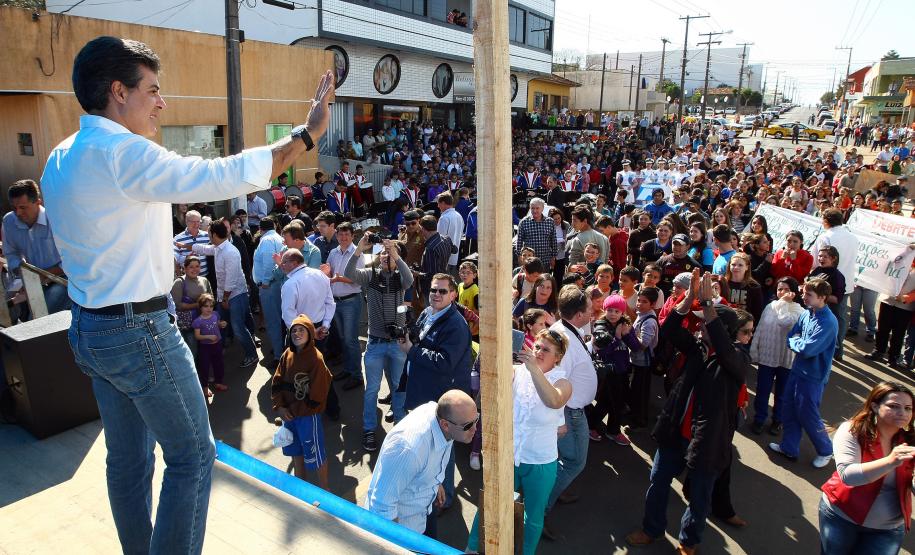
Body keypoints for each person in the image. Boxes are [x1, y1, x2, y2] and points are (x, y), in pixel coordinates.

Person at [40, 35, 333, 552]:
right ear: (118, 92)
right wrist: (305, 136)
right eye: (152, 89)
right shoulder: (122, 153)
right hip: (137, 331)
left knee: (128, 459)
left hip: (89, 328)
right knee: (194, 456)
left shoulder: (61, 156)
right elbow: (217, 174)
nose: (161, 102)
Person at [627, 271, 753, 554]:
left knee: (699, 499)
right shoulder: (698, 349)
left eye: (705, 324)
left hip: (705, 442)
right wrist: (686, 303)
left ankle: (688, 542)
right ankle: (652, 529)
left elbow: (724, 348)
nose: (698, 328)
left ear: (720, 328)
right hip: (674, 433)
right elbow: (670, 331)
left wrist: (710, 307)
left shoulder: (737, 360)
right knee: (658, 482)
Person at [467, 330, 573, 555]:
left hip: (541, 461)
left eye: (546, 349)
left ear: (558, 357)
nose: (538, 351)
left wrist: (534, 368)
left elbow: (553, 400)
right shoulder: (517, 371)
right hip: (509, 455)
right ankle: (472, 547)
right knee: (491, 502)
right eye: (537, 346)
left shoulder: (563, 382)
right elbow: (492, 380)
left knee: (533, 517)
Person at [364, 390, 478, 538]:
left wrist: (434, 483)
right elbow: (381, 508)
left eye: (476, 420)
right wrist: (398, 546)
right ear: (445, 425)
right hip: (405, 530)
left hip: (424, 512)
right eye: (468, 425)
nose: (475, 429)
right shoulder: (408, 449)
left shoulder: (446, 421)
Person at [819, 381, 915, 554]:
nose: (903, 413)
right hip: (841, 517)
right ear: (875, 406)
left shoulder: (910, 439)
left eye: (908, 408)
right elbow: (848, 475)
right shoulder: (852, 430)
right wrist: (890, 460)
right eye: (894, 406)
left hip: (888, 528)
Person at [344, 234, 413, 451]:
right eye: (383, 253)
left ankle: (401, 429)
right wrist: (359, 250)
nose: (385, 256)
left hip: (397, 343)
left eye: (389, 254)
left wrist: (396, 255)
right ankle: (369, 430)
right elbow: (349, 273)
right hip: (375, 343)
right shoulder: (371, 276)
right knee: (371, 389)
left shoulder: (400, 277)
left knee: (398, 387)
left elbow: (409, 280)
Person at [543, 286, 597, 534]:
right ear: (577, 315)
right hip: (569, 413)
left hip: (570, 411)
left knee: (563, 459)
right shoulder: (564, 338)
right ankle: (539, 511)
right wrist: (559, 420)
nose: (593, 310)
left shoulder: (565, 330)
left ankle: (557, 489)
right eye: (588, 308)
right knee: (574, 462)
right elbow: (554, 381)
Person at [769, 278, 839, 468]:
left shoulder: (829, 322)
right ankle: (789, 448)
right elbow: (792, 336)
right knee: (789, 409)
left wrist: (796, 343)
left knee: (808, 415)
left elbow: (808, 349)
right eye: (804, 293)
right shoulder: (807, 314)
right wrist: (797, 342)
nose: (804, 297)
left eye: (809, 295)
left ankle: (826, 450)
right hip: (797, 371)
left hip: (814, 377)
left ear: (822, 297)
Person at [271, 314, 334, 490]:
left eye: (302, 330)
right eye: (294, 330)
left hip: (307, 416)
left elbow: (318, 394)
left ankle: (325, 490)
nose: (297, 333)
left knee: (316, 454)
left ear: (310, 334)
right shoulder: (287, 354)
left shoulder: (316, 359)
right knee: (295, 452)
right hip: (289, 415)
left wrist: (298, 410)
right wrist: (280, 407)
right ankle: (301, 488)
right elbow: (276, 381)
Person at [190, 219, 259, 368]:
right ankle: (221, 349)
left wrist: (225, 298)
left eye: (208, 233)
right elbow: (206, 249)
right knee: (224, 323)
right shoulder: (219, 247)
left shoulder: (230, 252)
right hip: (225, 295)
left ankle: (252, 355)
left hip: (234, 295)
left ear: (214, 234)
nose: (207, 236)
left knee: (238, 327)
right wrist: (189, 246)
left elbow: (231, 280)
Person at [1, 179, 70, 315]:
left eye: (23, 207)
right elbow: (11, 253)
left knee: (41, 312)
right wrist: (22, 273)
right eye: (14, 208)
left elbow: (72, 258)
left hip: (62, 279)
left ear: (38, 202)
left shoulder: (56, 220)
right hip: (30, 277)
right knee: (5, 308)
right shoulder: (9, 221)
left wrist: (41, 276)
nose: (18, 213)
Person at [749, 276, 805, 436]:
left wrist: (783, 303)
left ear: (794, 291)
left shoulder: (799, 311)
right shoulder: (769, 306)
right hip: (767, 356)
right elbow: (759, 328)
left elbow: (784, 321)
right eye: (780, 289)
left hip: (786, 359)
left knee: (782, 393)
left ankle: (777, 420)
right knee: (762, 390)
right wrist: (754, 350)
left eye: (787, 289)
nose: (783, 292)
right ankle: (759, 419)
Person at [811, 209, 859, 360]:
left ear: (826, 221)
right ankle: (838, 349)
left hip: (826, 284)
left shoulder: (825, 237)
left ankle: (823, 348)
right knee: (840, 317)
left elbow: (815, 261)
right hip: (846, 283)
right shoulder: (853, 237)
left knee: (821, 316)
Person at [325, 222, 365, 390]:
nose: (343, 237)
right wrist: (325, 272)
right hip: (336, 301)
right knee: (343, 339)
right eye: (340, 234)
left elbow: (358, 279)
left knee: (350, 340)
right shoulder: (333, 252)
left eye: (346, 234)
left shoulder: (358, 254)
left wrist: (338, 278)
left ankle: (357, 375)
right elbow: (329, 270)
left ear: (352, 236)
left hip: (351, 301)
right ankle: (348, 369)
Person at [865, 265, 915, 368]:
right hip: (888, 299)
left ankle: (893, 357)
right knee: (882, 328)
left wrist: (906, 298)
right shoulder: (902, 256)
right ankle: (878, 351)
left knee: (898, 333)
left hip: (904, 306)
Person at [252, 217, 286, 365]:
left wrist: (265, 281)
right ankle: (281, 350)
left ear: (261, 229)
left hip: (270, 286)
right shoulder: (278, 237)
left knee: (273, 321)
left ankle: (279, 356)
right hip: (277, 284)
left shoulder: (266, 241)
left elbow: (269, 262)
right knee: (280, 320)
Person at [171, 255, 212, 356]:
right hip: (189, 325)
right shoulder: (179, 282)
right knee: (192, 352)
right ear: (184, 268)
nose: (195, 269)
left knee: (205, 350)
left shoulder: (204, 280)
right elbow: (178, 305)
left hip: (204, 322)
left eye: (197, 266)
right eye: (191, 267)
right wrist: (198, 305)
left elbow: (211, 299)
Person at [192, 294, 228, 397]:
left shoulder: (216, 314)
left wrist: (222, 324)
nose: (209, 308)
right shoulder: (198, 321)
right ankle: (205, 388)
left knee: (219, 364)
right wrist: (208, 337)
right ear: (201, 307)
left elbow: (217, 324)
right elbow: (197, 336)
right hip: (205, 348)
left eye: (211, 306)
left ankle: (218, 382)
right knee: (205, 367)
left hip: (217, 345)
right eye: (206, 306)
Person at [516, 197, 558, 271]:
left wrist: (553, 257)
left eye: (537, 208)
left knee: (543, 281)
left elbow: (553, 241)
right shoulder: (524, 222)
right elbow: (519, 241)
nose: (534, 210)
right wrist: (519, 257)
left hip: (545, 261)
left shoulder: (550, 222)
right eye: (532, 208)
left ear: (542, 208)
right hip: (529, 261)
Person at [173, 209, 210, 277]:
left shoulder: (207, 236)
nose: (196, 224)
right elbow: (175, 257)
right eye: (193, 222)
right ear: (186, 222)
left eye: (198, 221)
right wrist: (186, 258)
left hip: (206, 277)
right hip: (187, 279)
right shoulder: (177, 239)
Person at [436, 192, 464, 276]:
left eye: (439, 203)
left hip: (444, 259)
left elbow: (440, 239)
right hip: (454, 257)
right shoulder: (458, 215)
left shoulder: (444, 218)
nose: (438, 206)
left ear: (443, 203)